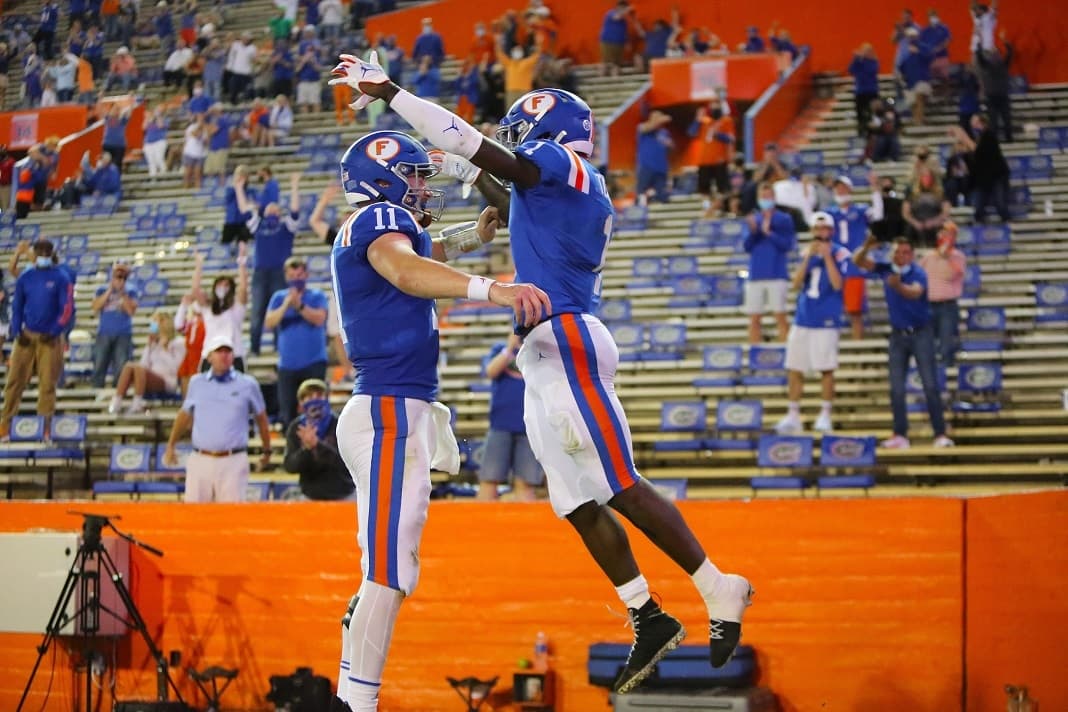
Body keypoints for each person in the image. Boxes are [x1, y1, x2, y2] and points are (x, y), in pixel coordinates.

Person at [332, 54, 754, 701]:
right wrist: (469, 204)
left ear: (549, 133)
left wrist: (392, 92)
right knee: (576, 500)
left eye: (523, 134)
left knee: (616, 482)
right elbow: (506, 197)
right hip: (541, 349)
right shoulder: (556, 187)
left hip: (567, 337)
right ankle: (646, 612)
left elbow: (477, 150)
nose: (517, 143)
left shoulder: (560, 164)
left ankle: (718, 586)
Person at [323, 128, 549, 712]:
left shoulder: (379, 225)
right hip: (388, 409)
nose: (423, 186)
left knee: (389, 570)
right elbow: (405, 270)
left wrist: (473, 238)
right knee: (389, 573)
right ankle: (358, 703)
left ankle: (353, 693)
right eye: (414, 175)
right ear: (383, 178)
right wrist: (493, 290)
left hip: (395, 408)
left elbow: (420, 256)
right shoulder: (379, 222)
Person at [853, 235, 954, 449]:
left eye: (905, 252)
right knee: (896, 387)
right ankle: (900, 434)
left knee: (930, 385)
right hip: (898, 334)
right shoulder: (886, 268)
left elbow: (915, 292)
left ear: (912, 255)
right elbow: (858, 261)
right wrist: (866, 246)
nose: (901, 256)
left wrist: (897, 285)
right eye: (897, 252)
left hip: (921, 332)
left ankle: (940, 433)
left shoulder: (918, 272)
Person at [163, 334, 272, 502]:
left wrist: (267, 449)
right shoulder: (196, 383)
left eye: (228, 351)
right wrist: (171, 444)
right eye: (219, 351)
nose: (224, 355)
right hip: (201, 458)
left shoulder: (248, 384)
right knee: (194, 512)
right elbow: (184, 415)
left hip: (233, 459)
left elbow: (261, 418)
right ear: (209, 356)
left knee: (230, 513)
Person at [775, 212, 851, 434]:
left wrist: (827, 257)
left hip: (826, 319)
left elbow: (838, 284)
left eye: (824, 228)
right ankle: (793, 414)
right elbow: (795, 283)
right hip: (803, 317)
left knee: (826, 368)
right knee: (794, 367)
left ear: (831, 231)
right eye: (817, 229)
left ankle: (825, 414)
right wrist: (808, 257)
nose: (821, 233)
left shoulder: (840, 253)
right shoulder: (805, 252)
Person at [0, 240, 72, 441]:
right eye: (40, 250)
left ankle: (45, 426)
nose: (43, 254)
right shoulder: (26, 277)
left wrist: (55, 330)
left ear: (52, 253)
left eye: (47, 251)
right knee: (14, 381)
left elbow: (67, 308)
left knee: (47, 383)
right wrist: (17, 331)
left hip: (50, 338)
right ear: (35, 252)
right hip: (26, 335)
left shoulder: (61, 277)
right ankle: (5, 424)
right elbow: (17, 307)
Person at [236, 172, 301, 355]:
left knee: (279, 308)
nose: (272, 211)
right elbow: (244, 209)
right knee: (257, 311)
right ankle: (254, 348)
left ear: (280, 213)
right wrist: (239, 188)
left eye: (275, 210)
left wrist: (294, 186)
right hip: (260, 273)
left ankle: (279, 347)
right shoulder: (259, 226)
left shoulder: (286, 227)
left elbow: (295, 210)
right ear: (264, 213)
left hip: (280, 272)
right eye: (269, 210)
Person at [477, 332, 543, 501]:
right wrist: (509, 348)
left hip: (530, 427)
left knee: (525, 484)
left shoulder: (538, 350)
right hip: (500, 424)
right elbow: (490, 371)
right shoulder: (500, 348)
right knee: (489, 480)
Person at [265, 256, 329, 425]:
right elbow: (269, 322)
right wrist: (287, 304)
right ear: (286, 276)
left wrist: (299, 305)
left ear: (306, 275)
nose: (296, 279)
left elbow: (319, 319)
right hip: (287, 365)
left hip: (314, 362)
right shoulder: (279, 297)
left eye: (299, 275)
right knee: (288, 415)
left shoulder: (317, 296)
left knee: (317, 411)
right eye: (292, 276)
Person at [827, 174, 884, 340]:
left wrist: (876, 191)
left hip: (854, 266)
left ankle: (857, 344)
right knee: (831, 310)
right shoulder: (829, 213)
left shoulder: (860, 210)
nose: (840, 191)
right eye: (837, 188)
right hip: (834, 265)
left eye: (843, 187)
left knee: (855, 311)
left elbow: (878, 215)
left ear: (850, 190)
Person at [282, 378, 356, 500]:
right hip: (310, 497)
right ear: (301, 403)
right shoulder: (297, 427)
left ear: (327, 398)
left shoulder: (340, 423)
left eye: (319, 395)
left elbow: (346, 464)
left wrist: (317, 445)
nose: (315, 400)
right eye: (309, 396)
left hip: (344, 495)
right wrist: (306, 449)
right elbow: (290, 466)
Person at [182, 243, 250, 371]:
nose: (223, 288)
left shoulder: (236, 307)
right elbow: (195, 290)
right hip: (210, 354)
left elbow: (243, 287)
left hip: (234, 355)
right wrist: (199, 265)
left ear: (231, 289)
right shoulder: (208, 307)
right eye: (220, 284)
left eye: (226, 285)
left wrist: (241, 261)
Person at [743, 182, 796, 343]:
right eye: (763, 196)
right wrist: (754, 232)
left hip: (776, 273)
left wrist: (770, 234)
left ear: (774, 197)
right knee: (754, 318)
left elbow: (788, 245)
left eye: (768, 196)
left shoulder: (784, 219)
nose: (766, 199)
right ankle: (755, 350)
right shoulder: (754, 219)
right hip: (756, 274)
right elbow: (747, 247)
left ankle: (786, 351)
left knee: (780, 315)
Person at [110, 309, 186, 414]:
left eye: (156, 322)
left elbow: (176, 368)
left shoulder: (178, 342)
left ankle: (137, 403)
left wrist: (164, 349)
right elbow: (143, 365)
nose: (154, 326)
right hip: (149, 378)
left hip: (168, 381)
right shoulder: (153, 343)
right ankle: (117, 402)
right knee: (129, 366)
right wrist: (149, 347)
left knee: (137, 368)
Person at [919, 221, 966, 366]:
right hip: (928, 305)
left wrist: (946, 257)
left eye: (951, 234)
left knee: (946, 343)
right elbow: (918, 277)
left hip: (947, 306)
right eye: (944, 233)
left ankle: (945, 371)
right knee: (927, 342)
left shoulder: (959, 256)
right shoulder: (927, 257)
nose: (947, 237)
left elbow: (953, 274)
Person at [90, 260, 138, 389]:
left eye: (122, 275)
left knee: (121, 367)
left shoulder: (131, 290)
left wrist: (122, 293)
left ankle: (118, 393)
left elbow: (131, 311)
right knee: (99, 365)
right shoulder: (101, 289)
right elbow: (95, 307)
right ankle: (96, 391)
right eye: (117, 274)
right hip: (104, 332)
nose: (119, 278)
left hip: (123, 333)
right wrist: (110, 290)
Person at [953, 117, 1009, 224]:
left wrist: (963, 136)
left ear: (983, 123)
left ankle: (1007, 222)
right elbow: (973, 159)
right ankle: (979, 224)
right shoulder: (976, 138)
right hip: (982, 178)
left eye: (975, 123)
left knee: (1000, 203)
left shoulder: (989, 136)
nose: (973, 126)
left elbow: (979, 151)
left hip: (996, 175)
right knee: (978, 206)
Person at [690, 98, 735, 210]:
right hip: (704, 160)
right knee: (704, 189)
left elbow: (730, 138)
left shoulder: (726, 121)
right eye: (713, 104)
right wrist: (697, 120)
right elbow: (691, 132)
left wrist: (718, 135)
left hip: (720, 160)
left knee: (722, 188)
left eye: (717, 104)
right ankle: (706, 208)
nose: (715, 107)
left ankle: (720, 208)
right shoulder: (704, 121)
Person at [903, 165, 951, 246]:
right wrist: (915, 222)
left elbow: (945, 212)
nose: (927, 179)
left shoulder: (940, 194)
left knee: (941, 229)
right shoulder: (912, 194)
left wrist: (934, 222)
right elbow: (905, 213)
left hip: (935, 221)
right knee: (909, 229)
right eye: (924, 177)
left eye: (929, 177)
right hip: (916, 222)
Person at [635, 110, 673, 205]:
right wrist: (660, 120)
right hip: (646, 166)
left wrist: (669, 144)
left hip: (661, 168)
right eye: (656, 118)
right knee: (641, 193)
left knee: (662, 196)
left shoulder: (664, 132)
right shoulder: (643, 127)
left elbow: (671, 146)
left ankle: (653, 198)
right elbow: (649, 127)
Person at [848, 44, 880, 136]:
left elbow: (870, 71)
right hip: (860, 91)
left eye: (868, 51)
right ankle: (861, 131)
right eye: (864, 51)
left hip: (872, 91)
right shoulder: (859, 61)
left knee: (873, 113)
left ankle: (873, 132)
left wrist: (862, 60)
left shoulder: (874, 62)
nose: (866, 53)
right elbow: (851, 70)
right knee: (860, 113)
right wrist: (855, 59)